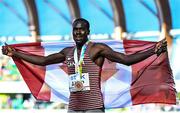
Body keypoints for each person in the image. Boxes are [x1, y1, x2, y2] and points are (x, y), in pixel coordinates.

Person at [2, 18, 167, 113]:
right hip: (74, 107)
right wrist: (14, 54)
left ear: (88, 32)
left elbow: (125, 60)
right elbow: (43, 61)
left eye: (81, 30)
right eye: (75, 30)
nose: (78, 32)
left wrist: (153, 50)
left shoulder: (97, 49)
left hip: (94, 107)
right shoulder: (67, 52)